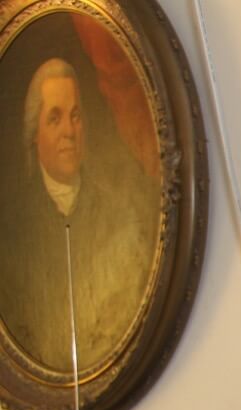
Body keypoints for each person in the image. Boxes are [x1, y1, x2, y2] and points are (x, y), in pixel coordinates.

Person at [0, 57, 157, 371]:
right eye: (54, 119)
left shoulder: (117, 214)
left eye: (75, 116)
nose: (68, 131)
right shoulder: (14, 229)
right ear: (35, 132)